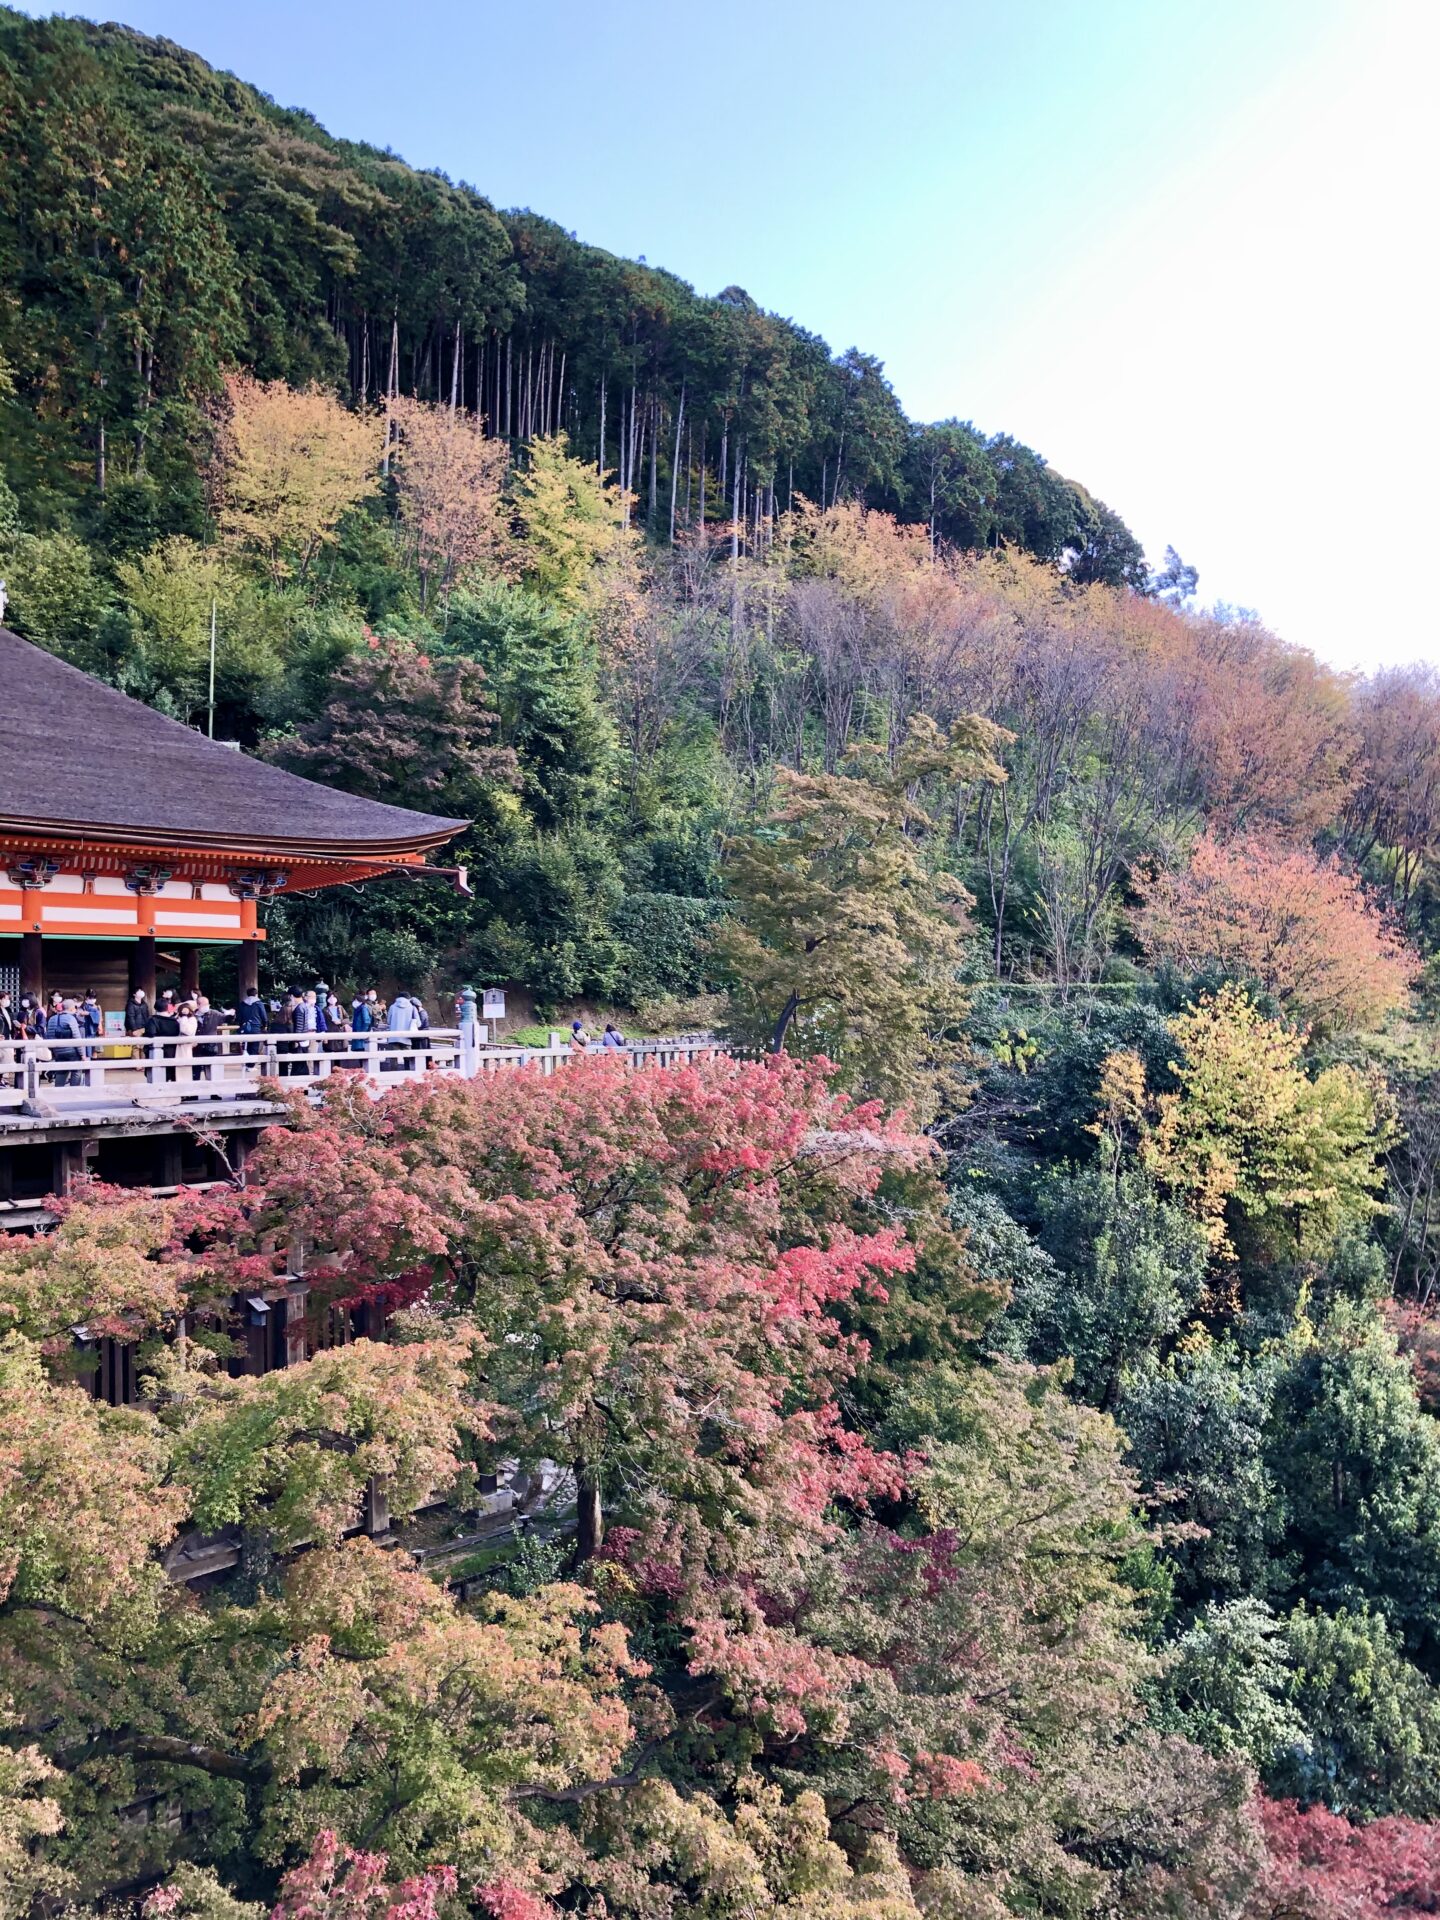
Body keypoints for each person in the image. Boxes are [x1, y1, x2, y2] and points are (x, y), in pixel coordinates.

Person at [45, 996, 87, 1088]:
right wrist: (82, 1054)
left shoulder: (52, 1019)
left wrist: (53, 1051)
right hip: (72, 1052)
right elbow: (77, 1038)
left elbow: (48, 1036)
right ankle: (73, 1091)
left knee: (61, 1072)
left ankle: (58, 1092)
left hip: (57, 1052)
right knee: (76, 1071)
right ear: (71, 1008)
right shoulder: (71, 1019)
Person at [193, 993, 230, 1082]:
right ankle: (195, 1089)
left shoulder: (214, 1013)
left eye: (207, 1004)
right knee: (195, 1068)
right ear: (198, 1005)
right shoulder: (192, 1015)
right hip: (196, 1045)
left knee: (211, 1068)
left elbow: (225, 1018)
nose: (206, 1006)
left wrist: (230, 1014)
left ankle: (212, 1089)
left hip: (211, 1045)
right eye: (204, 1004)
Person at [145, 997, 180, 1085]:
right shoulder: (174, 1021)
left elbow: (151, 1033)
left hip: (156, 1052)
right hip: (172, 1051)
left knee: (155, 1076)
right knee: (170, 1073)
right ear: (168, 1008)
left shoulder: (153, 1020)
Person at [237, 985, 267, 1056]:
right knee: (254, 1048)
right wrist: (265, 1025)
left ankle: (247, 1061)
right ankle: (252, 1062)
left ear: (247, 994)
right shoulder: (259, 1003)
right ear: (256, 994)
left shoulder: (242, 1004)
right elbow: (264, 1016)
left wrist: (241, 1025)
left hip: (245, 1028)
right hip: (255, 1028)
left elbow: (239, 1017)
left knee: (246, 1048)